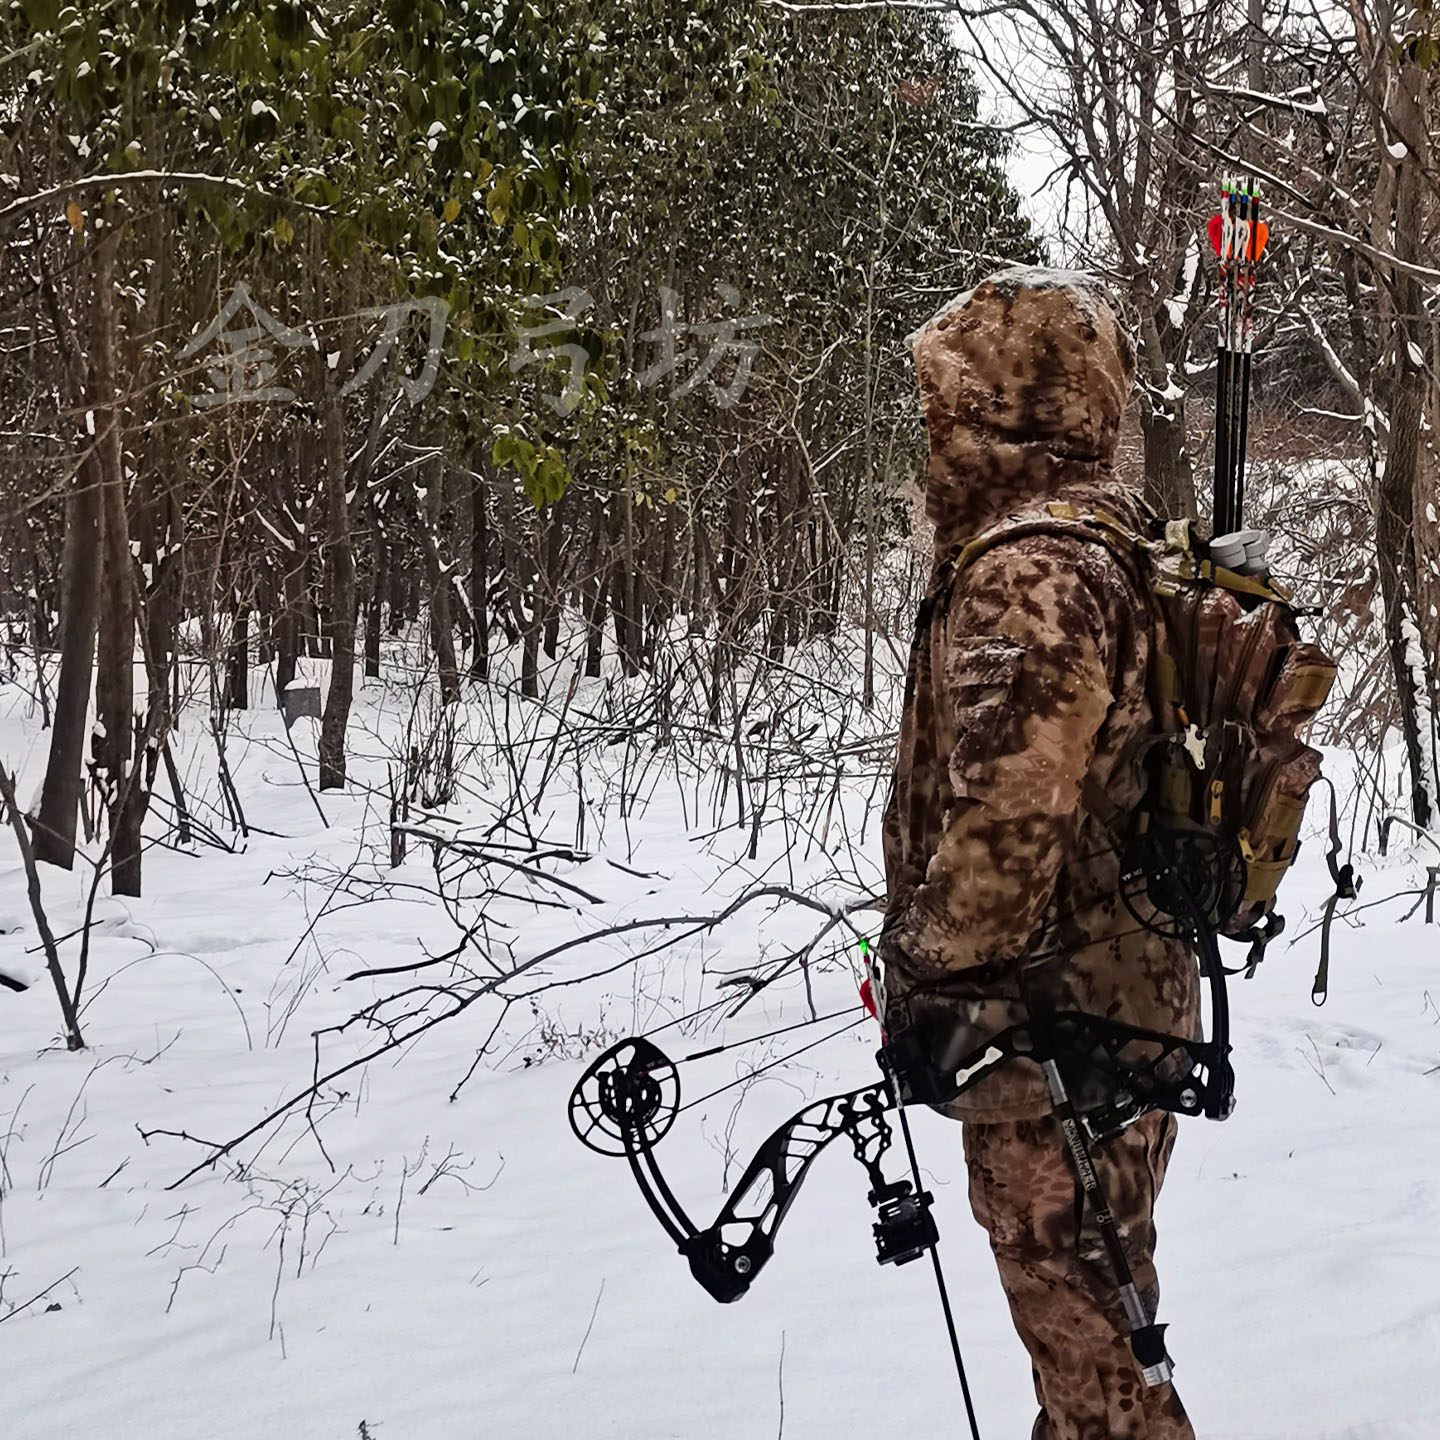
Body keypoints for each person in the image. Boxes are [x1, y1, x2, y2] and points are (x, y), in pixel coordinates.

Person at [879, 268, 1199, 1440]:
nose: (935, 423)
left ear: (1004, 403)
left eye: (953, 396)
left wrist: (923, 973)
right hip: (1106, 1011)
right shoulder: (1106, 533)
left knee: (1096, 1363)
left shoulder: (1030, 570)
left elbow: (1009, 825)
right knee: (1093, 1342)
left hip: (1050, 1035)